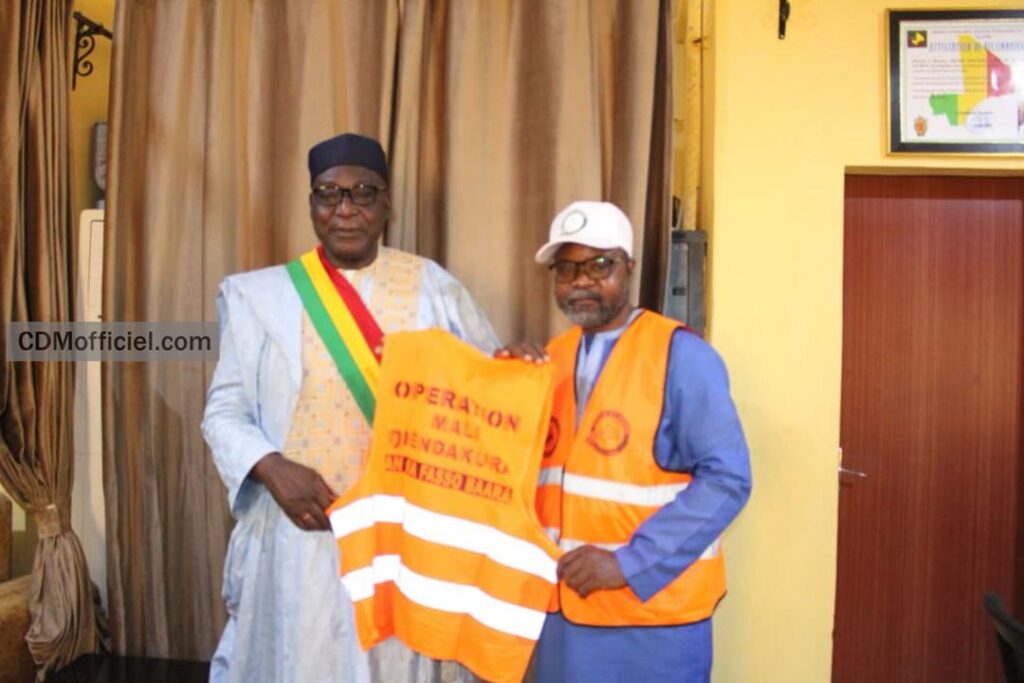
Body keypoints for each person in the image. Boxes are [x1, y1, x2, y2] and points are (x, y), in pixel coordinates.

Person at [202, 133, 498, 683]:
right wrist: (271, 467)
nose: (346, 209)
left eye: (363, 193)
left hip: (402, 539)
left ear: (387, 204)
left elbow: (485, 396)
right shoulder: (262, 296)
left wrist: (517, 371)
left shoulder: (433, 289)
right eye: (329, 194)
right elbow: (224, 411)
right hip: (300, 538)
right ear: (311, 203)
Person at [498, 201, 752, 682]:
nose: (581, 281)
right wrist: (501, 388)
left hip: (651, 623)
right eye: (566, 268)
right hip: (562, 618)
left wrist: (630, 563)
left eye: (600, 265)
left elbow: (728, 480)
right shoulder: (550, 359)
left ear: (629, 267)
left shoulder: (681, 355)